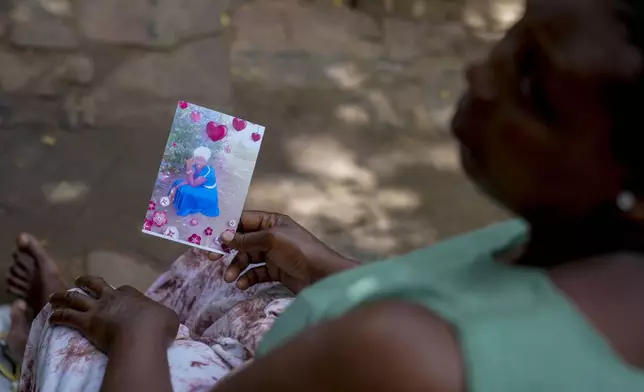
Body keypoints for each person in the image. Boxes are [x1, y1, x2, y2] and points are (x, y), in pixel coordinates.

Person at [7, 0, 644, 390]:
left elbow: (425, 341)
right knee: (223, 262)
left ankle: (33, 340)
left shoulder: (405, 352)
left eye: (534, 86)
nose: (482, 72)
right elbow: (474, 298)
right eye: (515, 33)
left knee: (84, 331)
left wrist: (141, 335)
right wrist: (327, 269)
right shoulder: (597, 244)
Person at [169, 146, 220, 217]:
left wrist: (189, 169)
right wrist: (176, 187)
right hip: (196, 182)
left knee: (187, 192)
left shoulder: (207, 172)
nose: (197, 162)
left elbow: (192, 184)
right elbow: (187, 179)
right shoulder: (196, 165)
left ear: (206, 160)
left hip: (206, 190)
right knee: (177, 182)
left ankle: (186, 207)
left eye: (201, 160)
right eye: (196, 159)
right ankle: (174, 199)